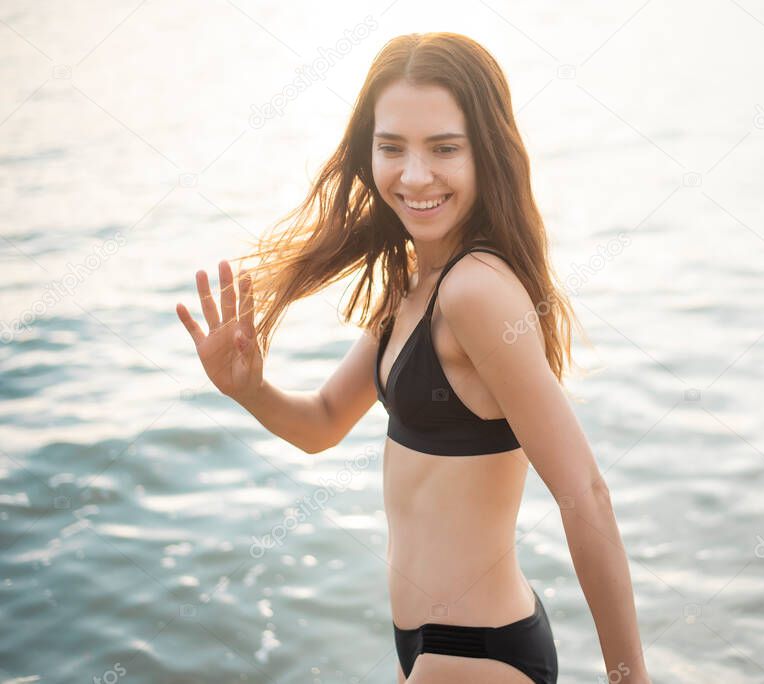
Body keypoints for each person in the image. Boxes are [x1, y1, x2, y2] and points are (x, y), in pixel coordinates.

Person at [176, 31, 650, 684]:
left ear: (487, 153)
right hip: (429, 646)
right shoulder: (415, 284)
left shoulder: (475, 290)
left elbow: (585, 494)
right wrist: (248, 388)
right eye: (392, 147)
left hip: (477, 653)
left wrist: (631, 679)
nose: (415, 174)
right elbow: (321, 423)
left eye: (444, 149)